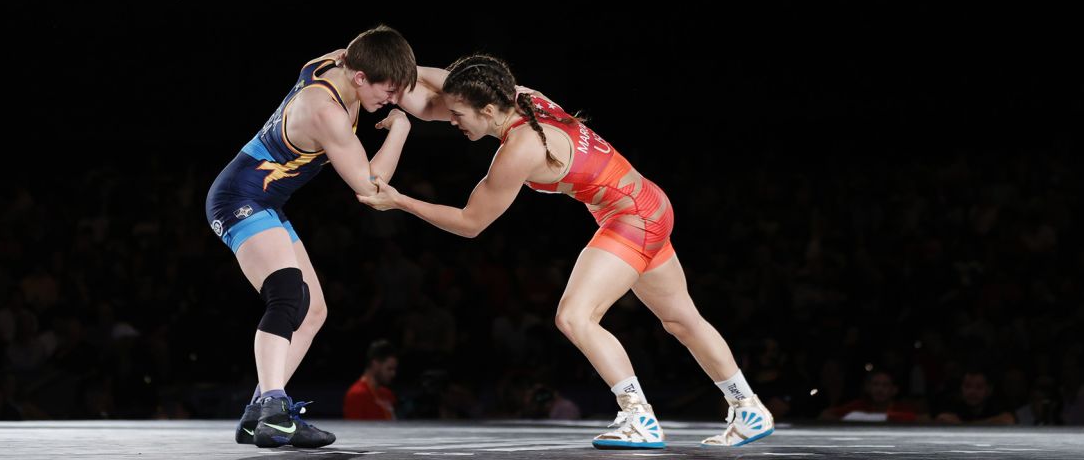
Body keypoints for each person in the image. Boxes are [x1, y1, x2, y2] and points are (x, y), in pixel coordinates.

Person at [360, 54, 774, 449]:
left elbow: (471, 223)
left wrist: (400, 201)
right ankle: (748, 408)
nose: (449, 120)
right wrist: (390, 69)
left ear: (487, 110)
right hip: (650, 203)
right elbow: (441, 85)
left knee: (575, 317)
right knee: (681, 319)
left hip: (630, 217)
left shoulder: (521, 149)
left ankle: (637, 416)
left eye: (457, 114)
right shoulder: (522, 95)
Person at [205, 25, 416, 448]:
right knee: (287, 294)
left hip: (266, 201)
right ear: (360, 77)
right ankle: (273, 408)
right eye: (388, 91)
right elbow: (370, 188)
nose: (391, 101)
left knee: (314, 311)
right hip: (237, 198)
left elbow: (383, 58)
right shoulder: (326, 112)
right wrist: (401, 129)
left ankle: (257, 414)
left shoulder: (337, 61)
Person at [819, 369, 918, 422]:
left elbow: (921, 419)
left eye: (885, 385)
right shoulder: (858, 406)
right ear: (868, 388)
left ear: (894, 390)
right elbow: (825, 415)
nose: (880, 389)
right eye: (875, 384)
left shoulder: (901, 408)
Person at [934, 368, 1015, 425]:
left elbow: (1008, 419)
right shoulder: (953, 403)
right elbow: (940, 418)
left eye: (979, 387)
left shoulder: (997, 404)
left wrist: (963, 425)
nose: (972, 391)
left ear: (989, 390)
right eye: (967, 386)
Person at [343, 339, 399, 420]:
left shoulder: (388, 394)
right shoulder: (356, 395)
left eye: (394, 369)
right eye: (389, 369)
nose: (393, 374)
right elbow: (354, 431)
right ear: (375, 364)